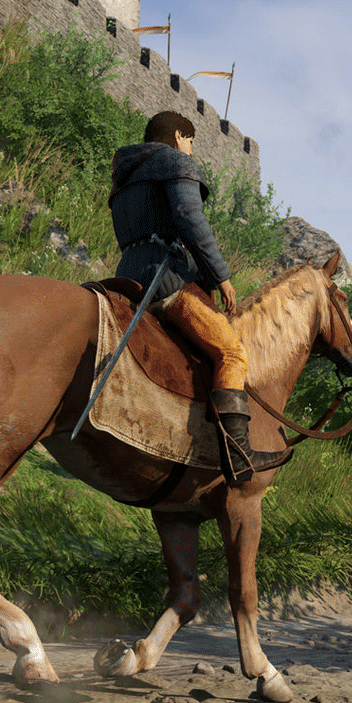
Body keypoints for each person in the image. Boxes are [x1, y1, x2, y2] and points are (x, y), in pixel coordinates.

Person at [109, 110, 277, 485]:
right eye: (191, 141)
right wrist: (222, 277)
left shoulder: (125, 180)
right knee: (232, 352)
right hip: (164, 280)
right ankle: (238, 455)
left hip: (127, 275)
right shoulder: (173, 162)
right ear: (180, 136)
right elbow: (190, 220)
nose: (192, 148)